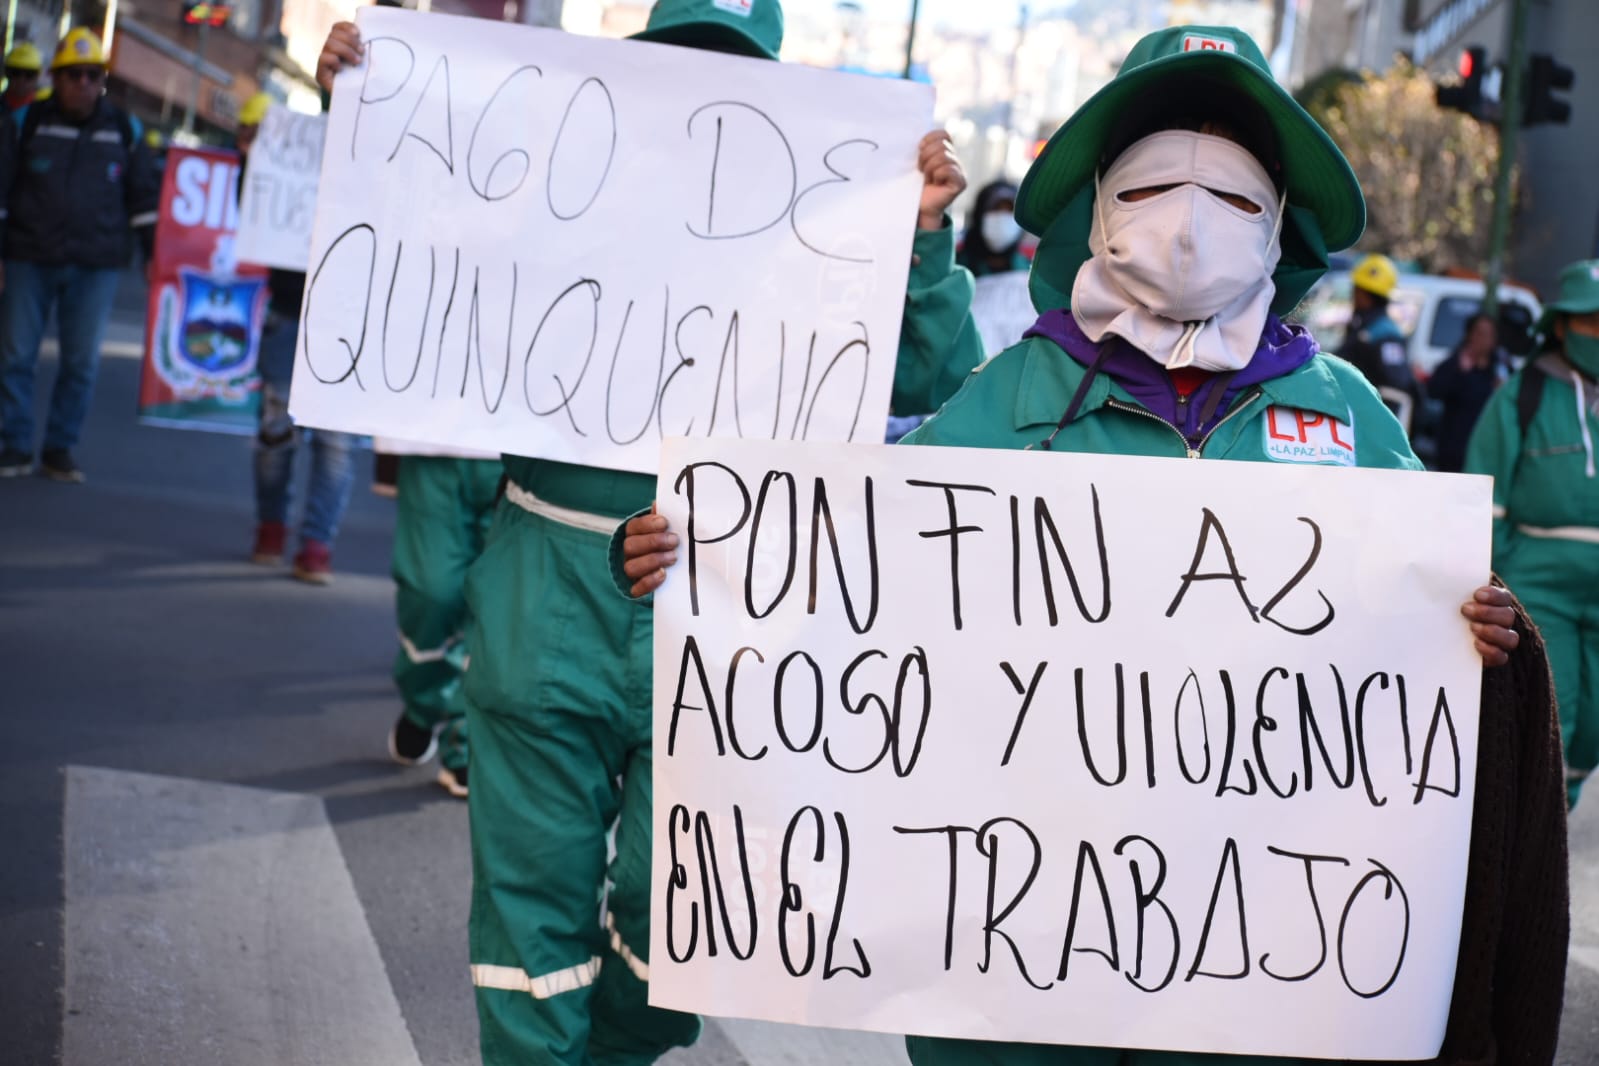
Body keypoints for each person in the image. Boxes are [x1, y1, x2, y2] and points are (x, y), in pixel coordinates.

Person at [624, 24, 1567, 1066]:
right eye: (1161, 175)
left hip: (1253, 971)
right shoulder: (1011, 395)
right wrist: (708, 556)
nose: (1192, 217)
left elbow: (1434, 632)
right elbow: (843, 566)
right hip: (1015, 966)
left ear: (1279, 223)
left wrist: (1483, 634)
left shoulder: (1346, 413)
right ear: (1104, 205)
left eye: (1236, 187)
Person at [319, 0, 981, 1059]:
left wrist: (925, 237)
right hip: (548, 587)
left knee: (680, 915)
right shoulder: (557, 194)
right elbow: (430, 248)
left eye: (735, 75)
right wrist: (369, 114)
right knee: (528, 908)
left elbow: (937, 388)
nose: (705, 102)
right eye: (678, 68)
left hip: (728, 610)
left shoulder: (823, 230)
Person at [1468, 257, 1599, 810]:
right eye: (1590, 321)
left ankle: (1561, 797)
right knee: (1556, 709)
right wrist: (1494, 574)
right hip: (1541, 583)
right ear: (1563, 325)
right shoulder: (1521, 396)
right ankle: (1546, 824)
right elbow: (1486, 496)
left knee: (1591, 723)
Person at [0, 29, 158, 482]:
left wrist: (152, 256)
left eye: (93, 75)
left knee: (81, 364)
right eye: (73, 75)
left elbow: (144, 199)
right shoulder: (25, 123)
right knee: (14, 356)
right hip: (28, 256)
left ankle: (59, 449)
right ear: (56, 78)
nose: (83, 84)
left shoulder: (124, 130)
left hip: (96, 265)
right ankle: (14, 444)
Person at [236, 91, 357, 583]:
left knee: (334, 445)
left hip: (348, 324)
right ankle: (271, 525)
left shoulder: (380, 155)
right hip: (289, 315)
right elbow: (257, 203)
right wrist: (253, 155)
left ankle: (315, 544)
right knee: (276, 437)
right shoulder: (295, 143)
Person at [381, 444, 503, 799]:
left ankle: (463, 741)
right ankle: (423, 705)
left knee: (497, 601)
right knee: (430, 593)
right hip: (435, 439)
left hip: (522, 451)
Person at [1338, 252, 1419, 417]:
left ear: (1366, 295)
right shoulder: (1362, 326)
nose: (1353, 294)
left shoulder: (1386, 335)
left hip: (1368, 418)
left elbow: (1396, 385)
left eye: (1356, 289)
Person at [1428, 311, 1504, 473]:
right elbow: (1434, 390)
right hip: (1454, 447)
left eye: (1488, 334)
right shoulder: (1456, 363)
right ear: (1470, 335)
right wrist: (1459, 373)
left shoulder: (1500, 368)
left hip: (1485, 448)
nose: (1483, 339)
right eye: (1479, 333)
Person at [958, 179, 1028, 277]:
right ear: (978, 215)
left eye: (1010, 211)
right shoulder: (955, 267)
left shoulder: (1029, 270)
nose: (1002, 218)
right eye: (996, 209)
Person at [3, 42, 41, 113]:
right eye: (15, 73)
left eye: (29, 74)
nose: (21, 80)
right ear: (6, 73)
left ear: (37, 76)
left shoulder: (46, 111)